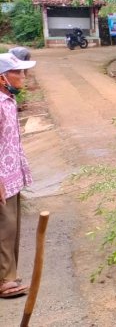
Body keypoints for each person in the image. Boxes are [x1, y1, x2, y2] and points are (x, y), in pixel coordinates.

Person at [0, 53, 36, 298]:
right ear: (3, 78)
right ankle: (4, 279)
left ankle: (10, 273)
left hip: (12, 175)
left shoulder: (8, 100)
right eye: (18, 72)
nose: (23, 76)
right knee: (4, 228)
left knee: (12, 227)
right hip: (2, 178)